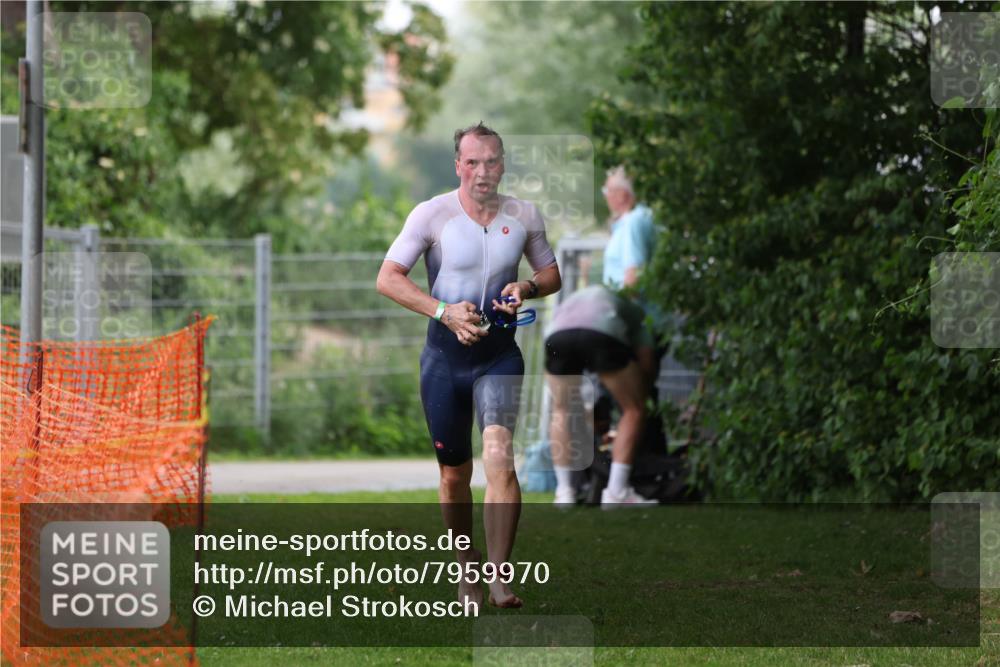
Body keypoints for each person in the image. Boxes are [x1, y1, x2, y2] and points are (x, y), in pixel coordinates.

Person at [376, 123, 561, 609]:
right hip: (444, 362)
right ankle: (466, 566)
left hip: (498, 356)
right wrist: (444, 311)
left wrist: (525, 288)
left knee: (500, 457)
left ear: (503, 164)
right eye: (473, 162)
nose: (483, 171)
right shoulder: (431, 214)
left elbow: (550, 274)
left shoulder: (524, 215)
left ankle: (499, 575)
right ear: (458, 165)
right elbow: (388, 278)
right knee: (454, 476)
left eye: (491, 161)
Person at [544, 284, 659, 508]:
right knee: (634, 409)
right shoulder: (634, 311)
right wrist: (641, 390)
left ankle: (564, 493)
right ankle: (616, 492)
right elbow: (647, 361)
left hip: (557, 335)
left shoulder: (576, 299)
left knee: (561, 409)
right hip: (600, 333)